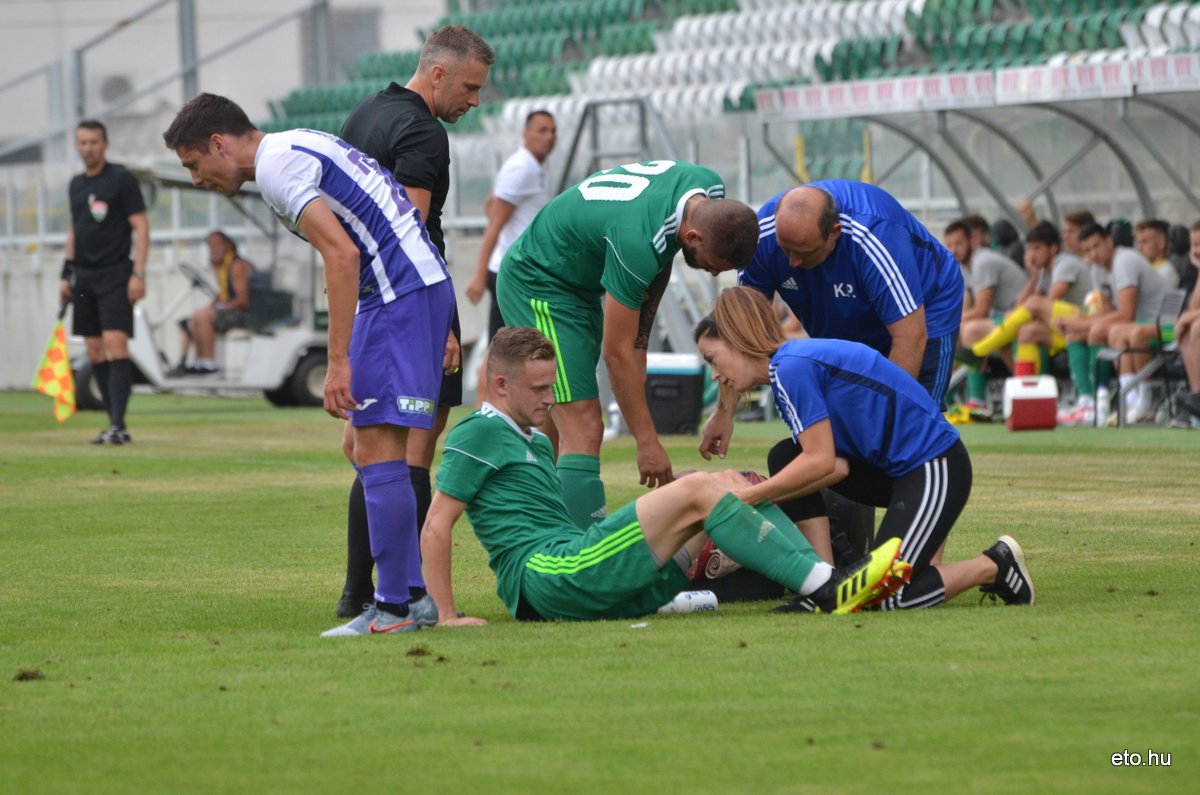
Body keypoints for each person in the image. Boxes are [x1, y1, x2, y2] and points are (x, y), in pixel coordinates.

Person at [163, 93, 452, 636]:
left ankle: (394, 607)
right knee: (364, 446)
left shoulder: (277, 167)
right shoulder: (294, 145)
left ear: (219, 144)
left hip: (398, 295)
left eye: (194, 165)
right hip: (406, 290)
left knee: (377, 446)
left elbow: (341, 255)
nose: (197, 179)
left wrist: (337, 361)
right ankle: (409, 597)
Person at [420, 326, 912, 625]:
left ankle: (824, 584)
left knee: (722, 484)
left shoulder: (530, 436)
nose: (550, 399)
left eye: (552, 386)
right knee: (698, 487)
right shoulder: (478, 432)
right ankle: (829, 585)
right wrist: (446, 616)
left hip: (571, 566)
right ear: (500, 385)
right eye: (538, 389)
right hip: (546, 577)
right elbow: (437, 523)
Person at [695, 286, 1035, 611]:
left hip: (935, 467)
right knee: (786, 456)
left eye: (712, 358)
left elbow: (821, 461)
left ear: (738, 339)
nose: (713, 375)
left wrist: (752, 497)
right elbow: (836, 468)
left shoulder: (791, 367)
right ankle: (825, 582)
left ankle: (995, 565)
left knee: (884, 597)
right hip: (895, 473)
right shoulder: (787, 365)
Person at [496, 159, 760, 530]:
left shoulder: (708, 186)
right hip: (541, 282)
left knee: (557, 428)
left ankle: (537, 531)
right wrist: (647, 442)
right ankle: (582, 561)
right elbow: (616, 354)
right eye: (712, 264)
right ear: (695, 237)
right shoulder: (637, 242)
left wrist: (641, 344)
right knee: (584, 426)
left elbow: (663, 254)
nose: (714, 272)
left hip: (581, 283)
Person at [333, 24, 494, 617]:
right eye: (470, 87)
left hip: (366, 301)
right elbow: (412, 234)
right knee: (411, 453)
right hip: (411, 301)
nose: (473, 101)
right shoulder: (423, 130)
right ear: (437, 74)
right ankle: (407, 595)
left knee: (373, 446)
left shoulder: (363, 116)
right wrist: (443, 325)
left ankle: (357, 592)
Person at [726, 181, 964, 411]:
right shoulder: (762, 239)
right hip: (847, 311)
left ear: (834, 233)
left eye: (802, 252)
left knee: (914, 418)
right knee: (847, 421)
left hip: (928, 303)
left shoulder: (873, 236)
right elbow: (744, 335)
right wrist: (723, 413)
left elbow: (910, 337)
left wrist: (890, 420)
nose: (792, 262)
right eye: (784, 249)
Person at [60, 119, 150, 445]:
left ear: (105, 144)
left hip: (115, 274)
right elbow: (76, 229)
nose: (88, 148)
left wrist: (138, 273)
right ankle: (114, 425)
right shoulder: (75, 185)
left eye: (94, 142)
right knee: (95, 351)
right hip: (83, 276)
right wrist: (65, 273)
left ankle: (118, 424)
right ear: (77, 145)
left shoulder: (121, 180)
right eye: (82, 142)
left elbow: (141, 227)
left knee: (116, 345)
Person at [954, 222, 1092, 419]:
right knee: (1026, 331)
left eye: (1037, 248)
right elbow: (1022, 304)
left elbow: (1046, 305)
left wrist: (1015, 316)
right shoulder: (1044, 271)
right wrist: (1034, 275)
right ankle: (1030, 400)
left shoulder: (1064, 263)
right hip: (1062, 327)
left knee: (1033, 308)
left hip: (1083, 324)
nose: (1031, 254)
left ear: (1053, 249)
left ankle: (978, 351)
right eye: (1029, 249)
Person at [466, 109, 557, 405]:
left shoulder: (533, 166)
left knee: (506, 344)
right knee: (498, 347)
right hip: (509, 273)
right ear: (525, 134)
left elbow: (491, 203)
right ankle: (484, 411)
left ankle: (499, 409)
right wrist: (479, 275)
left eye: (552, 131)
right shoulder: (522, 168)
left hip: (516, 271)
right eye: (541, 130)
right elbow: (495, 224)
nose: (549, 137)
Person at [1057, 223, 1170, 424]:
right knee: (1078, 334)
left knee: (1105, 331)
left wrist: (1084, 325)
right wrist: (1081, 322)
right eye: (1088, 250)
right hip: (1134, 327)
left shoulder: (1124, 260)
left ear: (1109, 241)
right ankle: (1087, 400)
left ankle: (1133, 401)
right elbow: (1107, 312)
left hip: (1165, 327)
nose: (1094, 254)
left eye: (1096, 246)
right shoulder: (1097, 270)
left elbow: (1126, 314)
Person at [945, 217, 1027, 410]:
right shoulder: (963, 266)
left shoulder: (983, 262)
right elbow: (964, 306)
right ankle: (945, 394)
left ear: (972, 242)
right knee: (955, 330)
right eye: (949, 244)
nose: (953, 249)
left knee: (972, 330)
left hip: (1020, 317)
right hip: (1002, 318)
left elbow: (981, 310)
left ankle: (977, 400)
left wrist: (953, 321)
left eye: (958, 243)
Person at [170, 230, 252, 376]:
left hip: (242, 315)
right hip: (228, 312)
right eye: (210, 246)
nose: (213, 250)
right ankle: (193, 362)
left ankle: (208, 363)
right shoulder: (221, 267)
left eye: (216, 245)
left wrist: (220, 307)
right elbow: (224, 293)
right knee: (189, 321)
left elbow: (242, 300)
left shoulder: (237, 266)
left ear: (227, 246)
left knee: (202, 315)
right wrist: (214, 305)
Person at [1134, 219, 1178, 289]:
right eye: (1138, 242)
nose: (1139, 247)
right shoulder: (1144, 270)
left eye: (1145, 242)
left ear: (1161, 243)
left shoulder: (1166, 272)